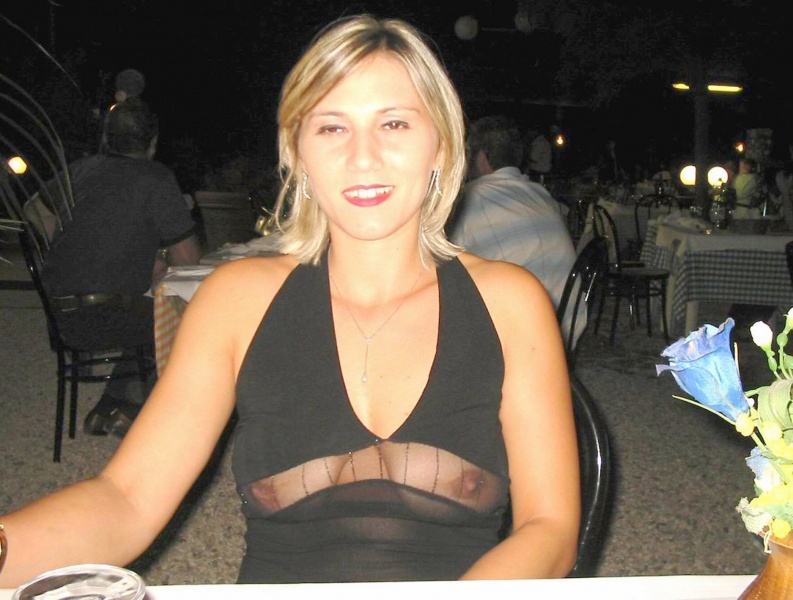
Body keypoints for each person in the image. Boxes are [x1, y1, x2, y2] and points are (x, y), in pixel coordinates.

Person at [0, 15, 578, 586]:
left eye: (394, 123)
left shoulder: (510, 304)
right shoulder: (236, 302)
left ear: (442, 147)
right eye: (331, 128)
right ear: (298, 154)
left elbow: (549, 528)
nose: (363, 156)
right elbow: (127, 499)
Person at [39, 98, 201, 436]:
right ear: (153, 142)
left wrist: (66, 244)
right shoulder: (156, 178)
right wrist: (155, 258)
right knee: (182, 315)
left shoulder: (79, 170)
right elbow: (188, 259)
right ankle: (134, 410)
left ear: (106, 138)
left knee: (143, 308)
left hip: (61, 316)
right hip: (112, 315)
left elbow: (34, 209)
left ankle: (107, 408)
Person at [449, 115, 582, 349]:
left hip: (513, 340)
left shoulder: (468, 201)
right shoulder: (541, 194)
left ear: (481, 158)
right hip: (565, 328)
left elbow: (437, 267)